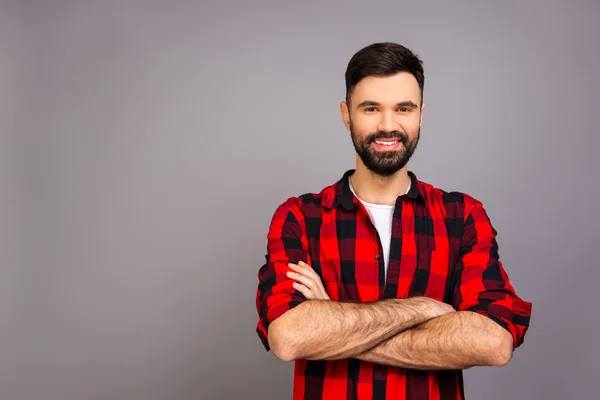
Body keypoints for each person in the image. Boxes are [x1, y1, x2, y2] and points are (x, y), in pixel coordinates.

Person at [255, 42, 532, 400]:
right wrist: (424, 309)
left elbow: (493, 342)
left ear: (420, 115)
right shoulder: (300, 217)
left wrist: (331, 321)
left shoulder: (462, 216)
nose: (388, 125)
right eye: (371, 108)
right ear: (346, 114)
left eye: (403, 108)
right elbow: (290, 337)